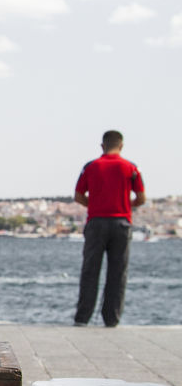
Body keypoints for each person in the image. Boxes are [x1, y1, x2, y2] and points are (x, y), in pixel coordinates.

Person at [73, 129, 145, 328]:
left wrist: (96, 204)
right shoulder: (131, 168)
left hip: (96, 222)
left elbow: (78, 196)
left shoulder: (91, 167)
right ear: (121, 146)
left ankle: (82, 318)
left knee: (90, 270)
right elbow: (141, 198)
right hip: (121, 223)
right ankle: (111, 319)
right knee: (118, 272)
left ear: (102, 146)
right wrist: (124, 204)